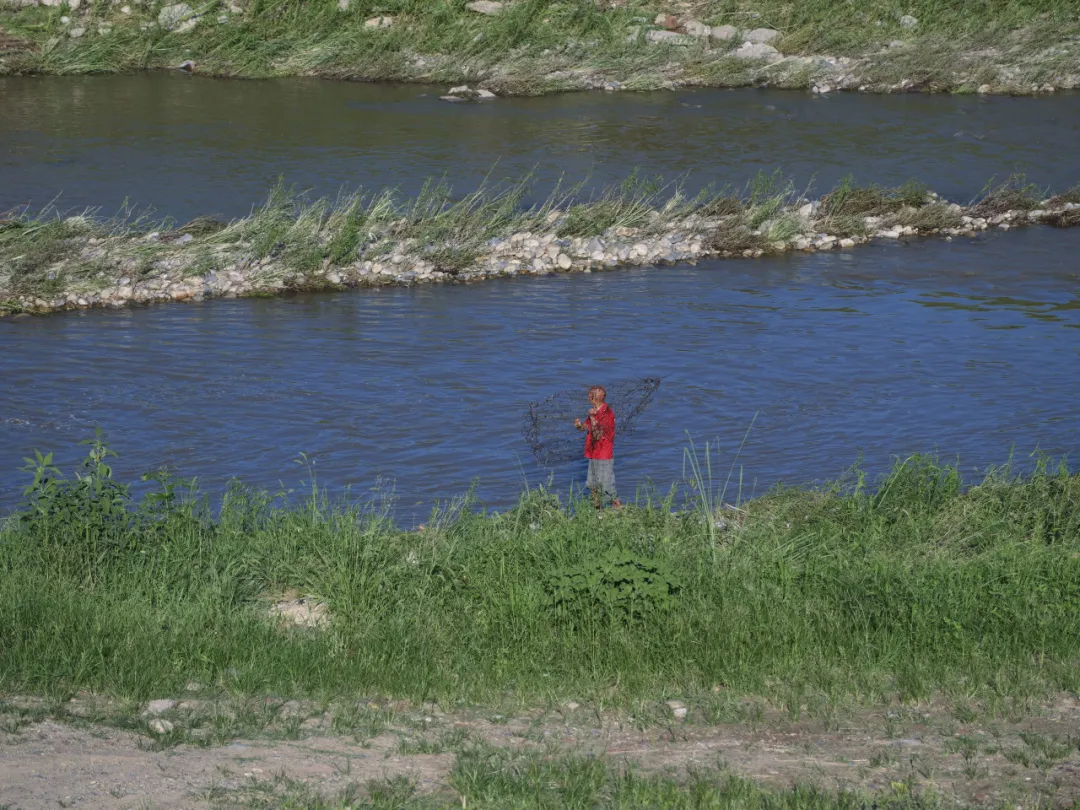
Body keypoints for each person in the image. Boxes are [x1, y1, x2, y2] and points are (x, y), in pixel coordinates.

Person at [574, 385, 621, 509]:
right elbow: (586, 427)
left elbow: (597, 435)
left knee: (607, 487)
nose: (588, 397)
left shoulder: (607, 413)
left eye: (589, 395)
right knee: (592, 485)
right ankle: (598, 511)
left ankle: (618, 509)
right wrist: (579, 426)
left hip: (603, 455)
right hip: (593, 453)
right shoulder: (595, 410)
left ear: (594, 397)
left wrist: (592, 417)